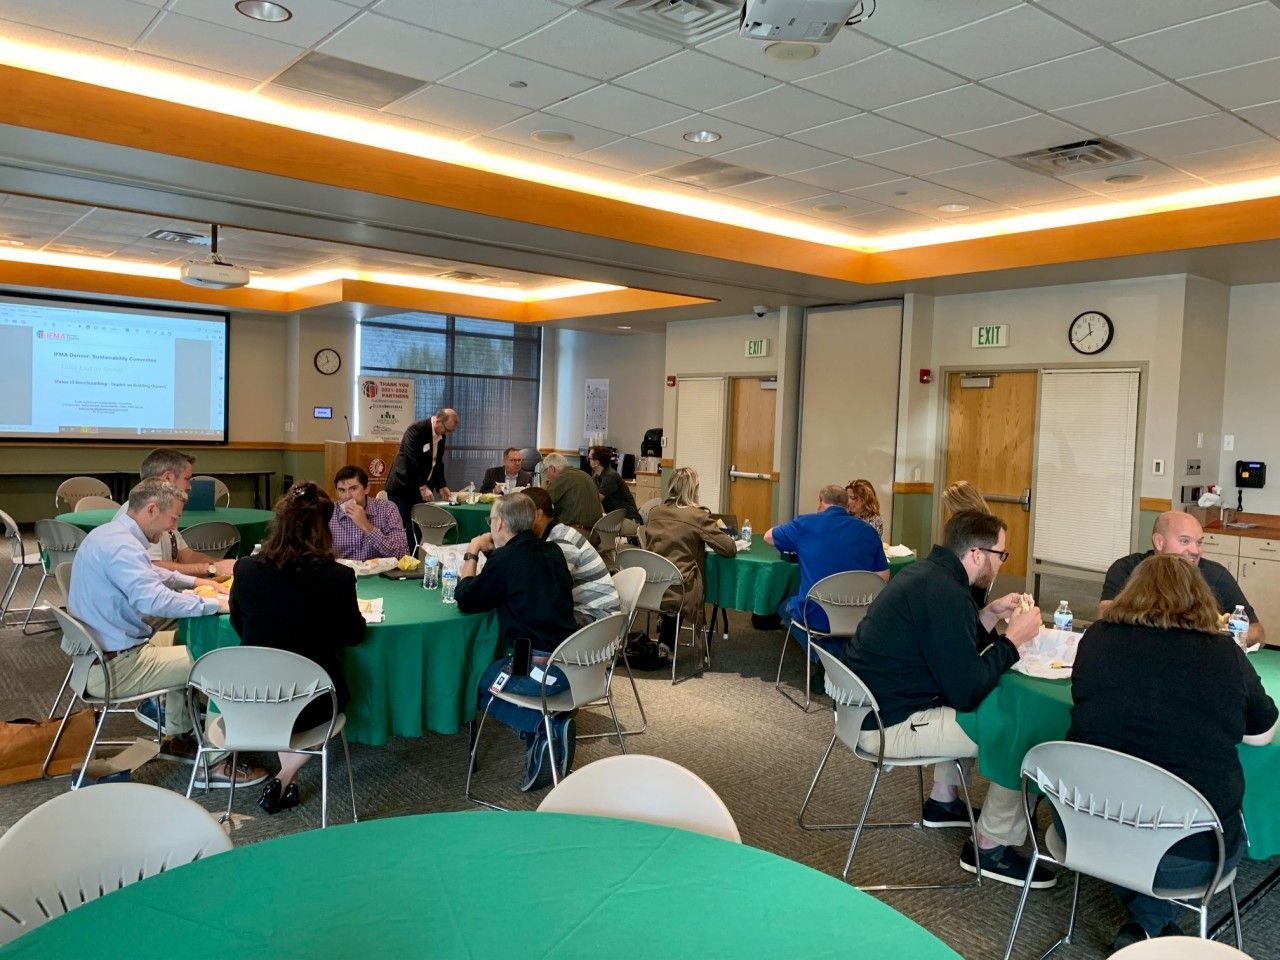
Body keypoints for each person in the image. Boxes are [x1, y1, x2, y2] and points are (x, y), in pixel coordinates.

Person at [1068, 554, 1277, 950]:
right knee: (1213, 816)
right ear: (1200, 597)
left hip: (1087, 826)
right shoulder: (1223, 654)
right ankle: (1151, 923)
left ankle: (1145, 923)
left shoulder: (1095, 639)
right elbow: (1262, 733)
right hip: (1189, 852)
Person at [841, 510, 1053, 888]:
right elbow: (966, 690)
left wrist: (986, 616)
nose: (1001, 563)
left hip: (864, 710)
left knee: (991, 707)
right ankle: (990, 846)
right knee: (1019, 730)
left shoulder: (925, 576)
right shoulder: (947, 593)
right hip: (888, 726)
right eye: (1000, 555)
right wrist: (1013, 641)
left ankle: (943, 803)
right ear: (976, 554)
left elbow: (948, 649)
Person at [68, 477, 264, 788]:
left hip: (100, 653)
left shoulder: (110, 534)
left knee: (188, 640)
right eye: (172, 519)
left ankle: (177, 735)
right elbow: (153, 599)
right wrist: (214, 604)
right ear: (152, 509)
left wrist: (196, 583)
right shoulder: (122, 545)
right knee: (217, 660)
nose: (172, 528)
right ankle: (214, 765)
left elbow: (151, 573)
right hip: (116, 665)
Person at [230, 481, 368, 814]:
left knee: (283, 689)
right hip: (315, 699)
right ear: (324, 529)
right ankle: (285, 775)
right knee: (314, 694)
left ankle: (287, 780)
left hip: (253, 694)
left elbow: (239, 624)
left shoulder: (246, 569)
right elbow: (353, 635)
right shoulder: (337, 577)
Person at [456, 494, 578, 792]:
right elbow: (514, 579)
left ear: (498, 523)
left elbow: (466, 597)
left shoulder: (507, 561)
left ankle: (543, 726)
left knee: (476, 684)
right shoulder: (552, 551)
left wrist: (472, 552)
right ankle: (544, 730)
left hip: (536, 670)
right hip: (573, 662)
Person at [766, 484, 888, 687]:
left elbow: (768, 536)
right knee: (836, 627)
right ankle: (841, 659)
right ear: (846, 505)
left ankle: (825, 660)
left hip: (817, 614)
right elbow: (882, 577)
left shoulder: (806, 524)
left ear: (821, 502)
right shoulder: (868, 531)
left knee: (784, 607)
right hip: (858, 613)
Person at [1099, 510, 1265, 647]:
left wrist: (1228, 632)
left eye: (1199, 542)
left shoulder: (1216, 575)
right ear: (1159, 542)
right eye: (1185, 541)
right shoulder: (1126, 569)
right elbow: (1105, 616)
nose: (1195, 550)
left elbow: (1257, 632)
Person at [641, 467, 736, 652]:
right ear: (694, 489)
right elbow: (729, 548)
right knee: (682, 577)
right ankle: (666, 640)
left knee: (673, 572)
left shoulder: (654, 512)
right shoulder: (697, 516)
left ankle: (665, 632)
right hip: (680, 588)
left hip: (651, 585)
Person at [116, 448, 235, 580]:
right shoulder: (141, 512)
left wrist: (224, 565)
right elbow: (154, 568)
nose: (190, 486)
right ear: (167, 478)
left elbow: (186, 556)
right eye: (187, 479)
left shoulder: (165, 508)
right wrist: (211, 568)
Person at [525, 486, 621, 626]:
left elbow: (546, 589)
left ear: (538, 514)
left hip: (596, 618)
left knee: (529, 620)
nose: (517, 519)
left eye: (521, 514)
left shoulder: (561, 542)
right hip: (585, 609)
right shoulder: (554, 534)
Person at [385, 407, 459, 544]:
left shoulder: (441, 436)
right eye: (447, 430)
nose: (447, 434)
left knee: (418, 529)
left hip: (419, 489)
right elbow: (411, 460)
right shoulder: (416, 430)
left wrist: (442, 485)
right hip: (402, 488)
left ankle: (414, 559)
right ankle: (403, 561)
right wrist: (423, 486)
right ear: (438, 421)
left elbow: (437, 462)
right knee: (405, 528)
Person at [329, 465, 408, 561]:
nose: (347, 496)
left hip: (378, 573)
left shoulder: (387, 509)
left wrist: (367, 526)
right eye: (342, 490)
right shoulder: (329, 512)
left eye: (353, 489)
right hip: (342, 574)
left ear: (366, 488)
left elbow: (402, 554)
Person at [542, 453, 603, 536]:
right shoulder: (585, 475)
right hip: (595, 534)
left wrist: (542, 490)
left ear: (552, 469)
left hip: (574, 534)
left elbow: (542, 503)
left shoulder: (562, 477)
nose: (546, 476)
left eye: (546, 471)